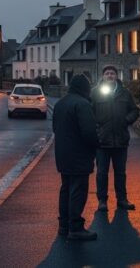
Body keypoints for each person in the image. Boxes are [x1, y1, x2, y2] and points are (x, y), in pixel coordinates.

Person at [52, 73, 100, 240]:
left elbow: (54, 128)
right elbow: (89, 133)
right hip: (79, 155)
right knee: (78, 190)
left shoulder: (60, 104)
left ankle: (63, 226)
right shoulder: (83, 104)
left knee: (65, 189)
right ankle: (76, 227)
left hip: (62, 154)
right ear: (85, 88)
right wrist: (97, 144)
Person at [91, 65, 140, 212]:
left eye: (112, 73)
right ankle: (102, 201)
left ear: (117, 76)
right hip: (102, 140)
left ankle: (122, 199)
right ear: (103, 76)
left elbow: (135, 110)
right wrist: (96, 127)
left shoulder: (125, 93)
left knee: (120, 173)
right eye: (107, 73)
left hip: (120, 140)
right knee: (102, 173)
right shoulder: (95, 93)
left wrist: (127, 120)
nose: (110, 76)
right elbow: (89, 111)